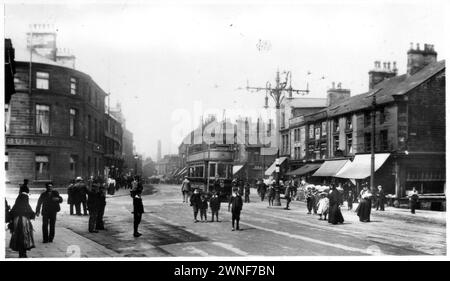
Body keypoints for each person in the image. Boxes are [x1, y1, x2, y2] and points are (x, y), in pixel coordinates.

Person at [9, 185, 35, 258]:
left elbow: (15, 207)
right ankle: (23, 253)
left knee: (18, 235)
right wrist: (32, 214)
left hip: (17, 219)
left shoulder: (20, 196)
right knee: (24, 235)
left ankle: (21, 252)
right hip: (23, 220)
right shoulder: (25, 196)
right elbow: (27, 206)